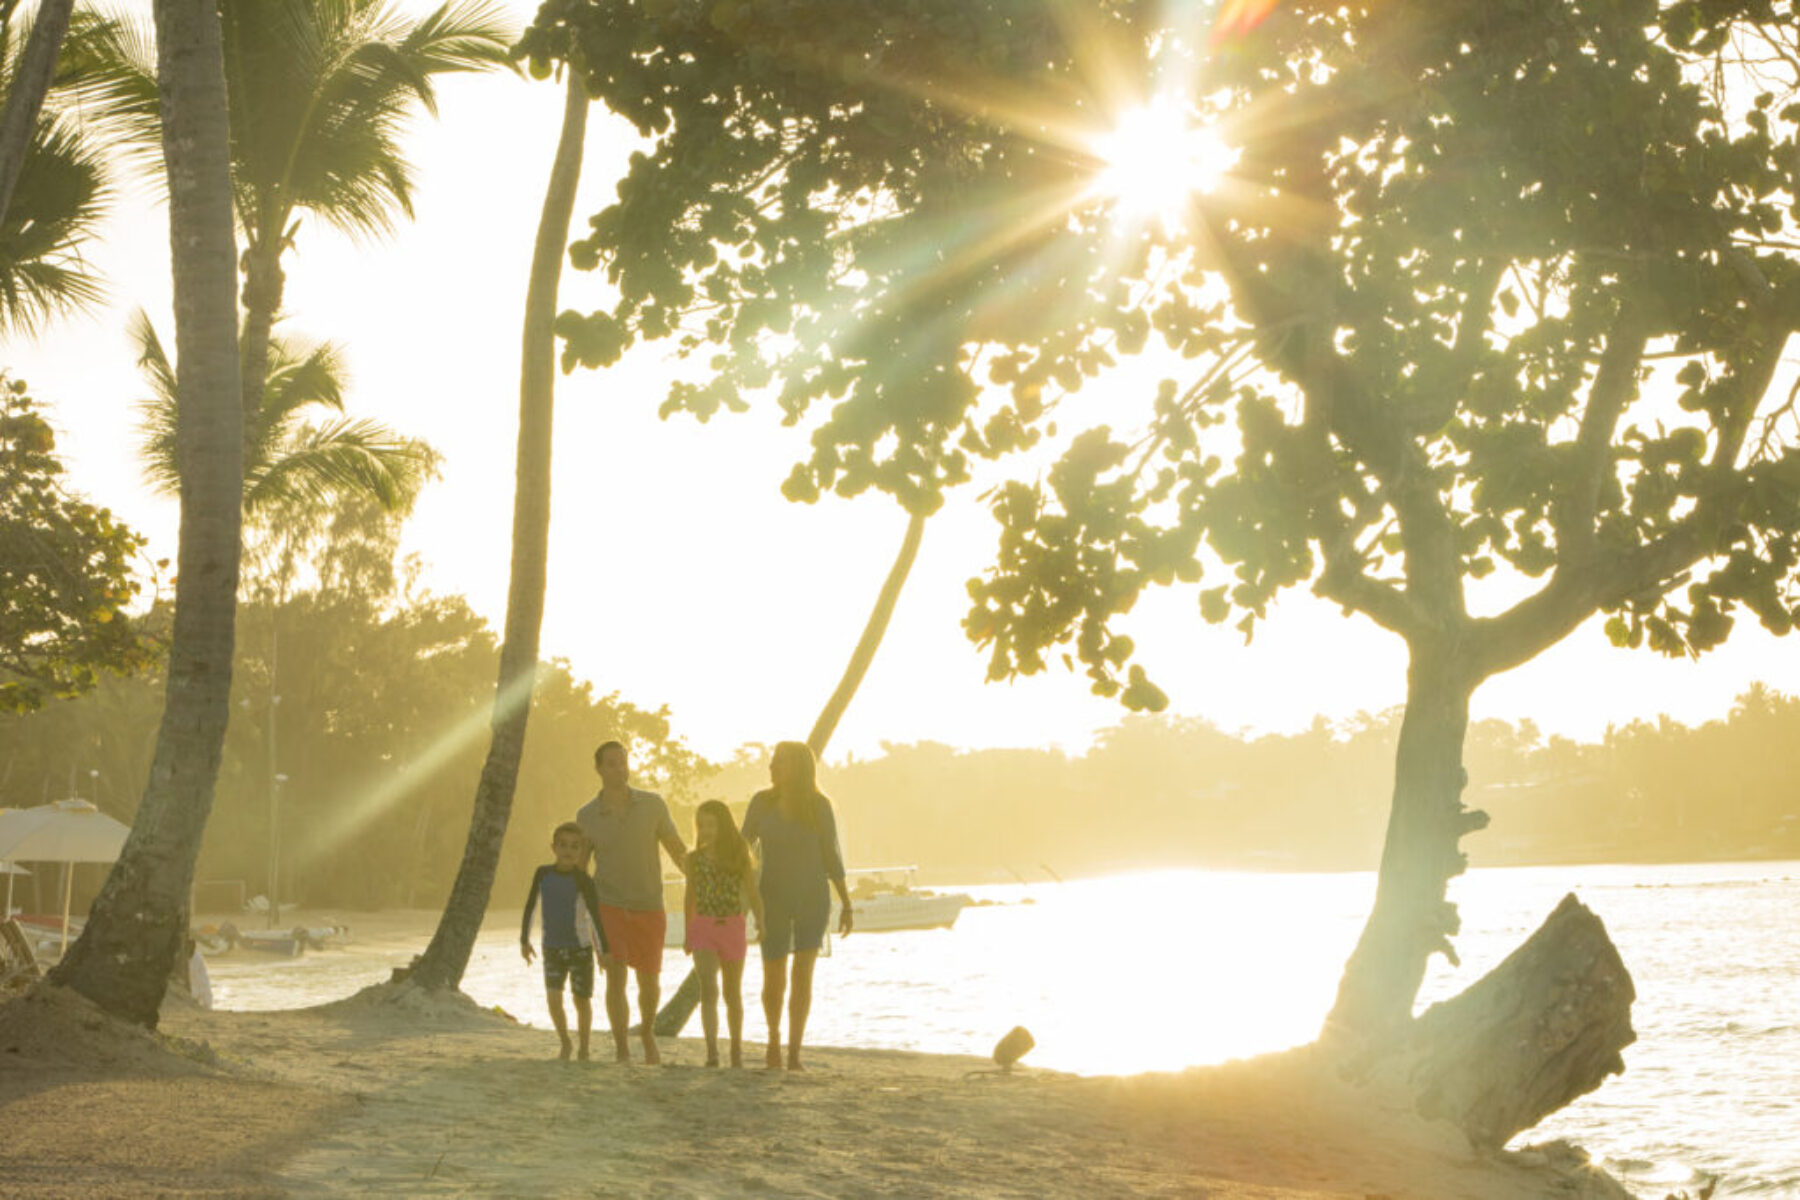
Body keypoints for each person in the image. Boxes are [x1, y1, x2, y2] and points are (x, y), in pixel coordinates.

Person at [741, 740, 853, 1071]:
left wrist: (846, 903)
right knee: (773, 973)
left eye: (780, 762)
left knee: (803, 974)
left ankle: (794, 1053)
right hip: (772, 895)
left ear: (799, 768)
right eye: (773, 762)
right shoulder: (762, 803)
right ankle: (773, 1043)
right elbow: (742, 844)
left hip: (812, 895)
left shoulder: (819, 805)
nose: (772, 767)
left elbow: (831, 856)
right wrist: (739, 895)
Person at [576, 740, 687, 1064]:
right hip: (607, 905)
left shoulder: (653, 805)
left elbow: (678, 851)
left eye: (622, 762)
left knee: (650, 982)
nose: (619, 769)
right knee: (616, 977)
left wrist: (707, 877)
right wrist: (579, 916)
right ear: (598, 769)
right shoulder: (587, 815)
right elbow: (581, 869)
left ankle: (648, 1032)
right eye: (611, 764)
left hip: (649, 904)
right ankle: (622, 1047)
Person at [682, 799, 765, 1068]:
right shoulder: (693, 859)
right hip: (703, 927)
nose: (705, 831)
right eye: (701, 825)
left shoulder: (738, 853)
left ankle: (736, 1051)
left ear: (723, 825)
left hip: (732, 926)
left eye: (710, 825)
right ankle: (712, 1052)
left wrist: (761, 922)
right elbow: (689, 897)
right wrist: (687, 931)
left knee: (733, 993)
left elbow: (752, 892)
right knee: (709, 988)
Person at [520, 822, 608, 1062]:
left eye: (574, 846)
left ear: (582, 851)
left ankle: (584, 1048)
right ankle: (566, 1042)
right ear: (553, 847)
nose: (568, 850)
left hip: (580, 949)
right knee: (554, 999)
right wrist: (524, 941)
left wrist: (603, 951)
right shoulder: (543, 874)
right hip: (552, 949)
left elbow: (594, 916)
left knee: (581, 1000)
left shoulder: (584, 880)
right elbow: (530, 906)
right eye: (563, 845)